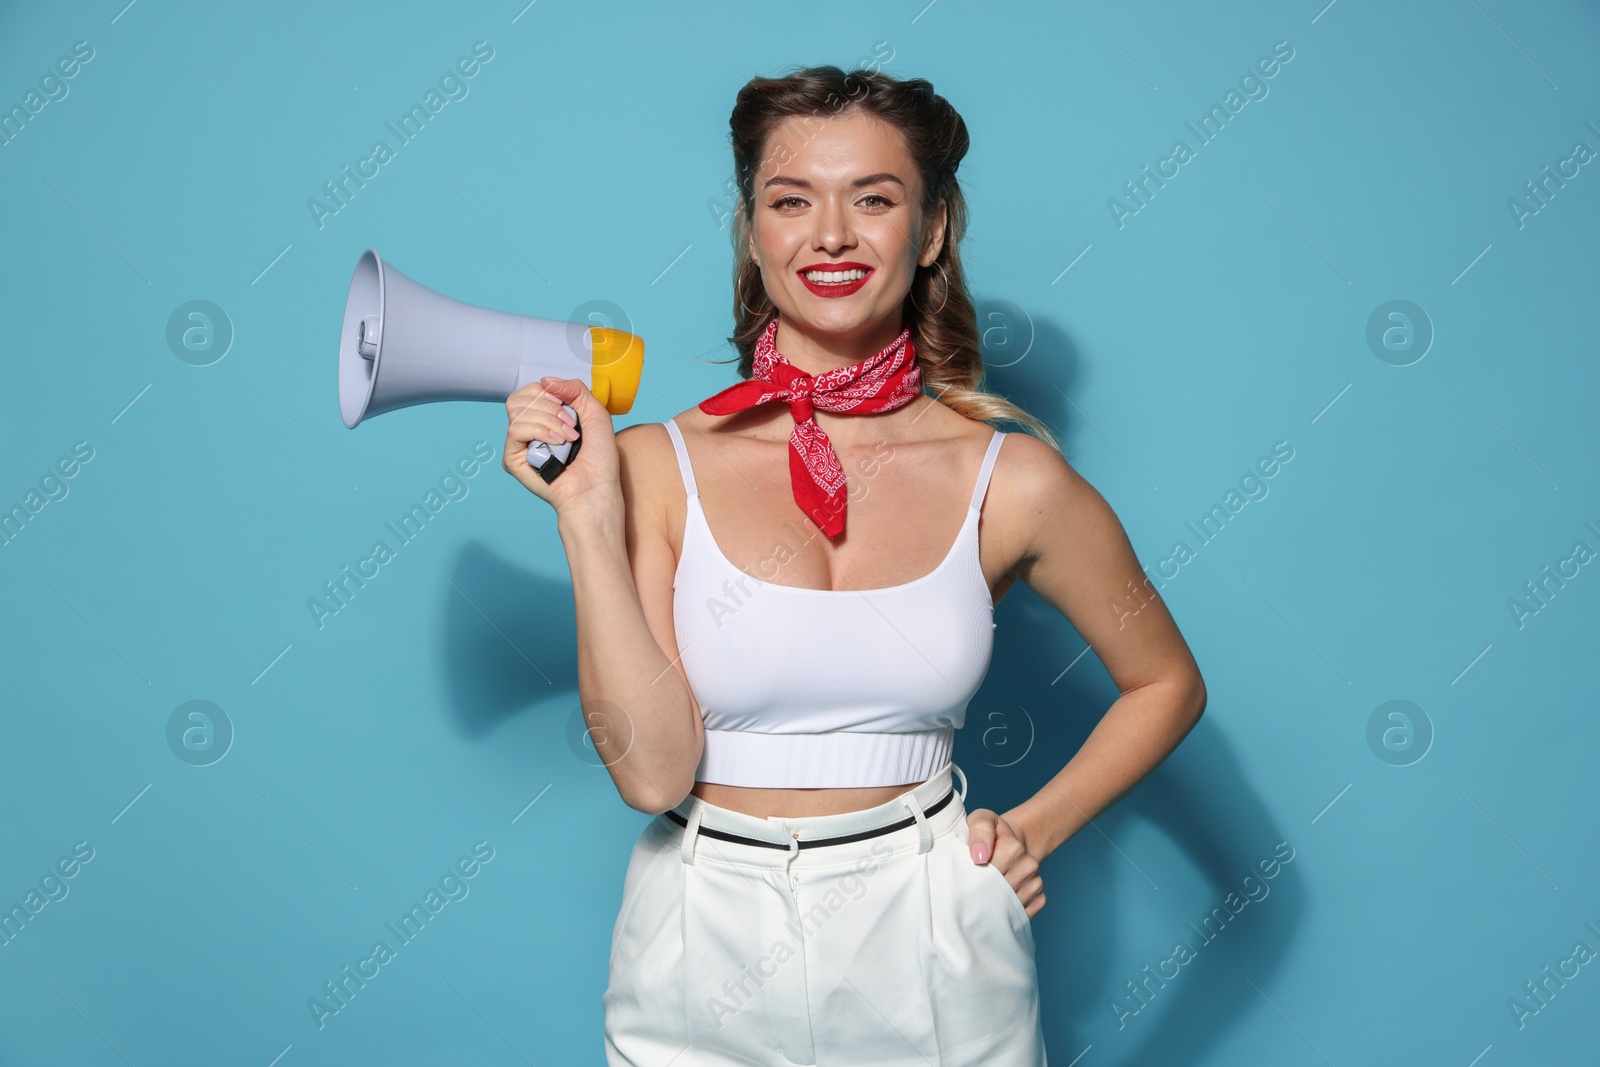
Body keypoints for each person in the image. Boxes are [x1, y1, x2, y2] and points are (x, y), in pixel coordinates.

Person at [503, 64, 1206, 1067]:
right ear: (753, 232)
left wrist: (1032, 830)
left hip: (932, 930)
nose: (829, 234)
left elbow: (1165, 681)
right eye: (790, 200)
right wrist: (584, 510)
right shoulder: (654, 466)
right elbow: (653, 770)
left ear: (930, 234)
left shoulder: (1012, 480)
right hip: (699, 937)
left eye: (873, 198)